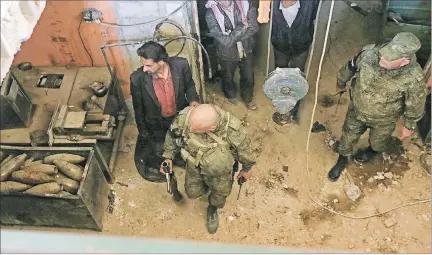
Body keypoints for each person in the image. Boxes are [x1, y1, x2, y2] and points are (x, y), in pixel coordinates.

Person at [328, 32, 428, 182]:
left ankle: (371, 152)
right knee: (347, 138)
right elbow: (351, 66)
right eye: (384, 54)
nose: (382, 58)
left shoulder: (413, 78)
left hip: (384, 120)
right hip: (357, 110)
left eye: (389, 59)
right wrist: (341, 82)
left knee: (378, 142)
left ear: (404, 62)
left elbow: (416, 103)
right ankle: (342, 159)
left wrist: (409, 125)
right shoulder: (369, 53)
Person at [160, 104, 256, 234]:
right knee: (192, 192)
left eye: (195, 128)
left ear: (212, 128)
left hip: (220, 172)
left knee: (220, 194)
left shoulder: (233, 129)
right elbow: (172, 136)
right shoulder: (186, 118)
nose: (190, 128)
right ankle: (205, 189)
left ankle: (212, 209)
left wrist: (246, 169)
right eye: (191, 125)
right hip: (194, 165)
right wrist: (168, 157)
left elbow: (245, 151)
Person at [130, 41, 200, 201]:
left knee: (183, 143)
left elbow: (189, 85)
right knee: (160, 148)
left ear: (161, 62)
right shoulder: (138, 78)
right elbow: (138, 108)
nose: (144, 69)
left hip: (178, 117)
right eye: (143, 65)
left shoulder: (181, 65)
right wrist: (143, 130)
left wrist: (194, 101)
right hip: (156, 122)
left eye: (148, 65)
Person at [271, 0, 320, 122]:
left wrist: (306, 35)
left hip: (301, 46)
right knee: (279, 74)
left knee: (296, 76)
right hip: (280, 45)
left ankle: (293, 109)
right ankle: (281, 105)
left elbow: (312, 16)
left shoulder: (310, 3)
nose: (284, 2)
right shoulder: (272, 3)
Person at [205, 0, 259, 110]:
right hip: (226, 52)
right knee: (228, 75)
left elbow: (254, 27)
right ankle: (231, 95)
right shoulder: (211, 13)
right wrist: (243, 26)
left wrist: (231, 36)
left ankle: (248, 99)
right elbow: (224, 41)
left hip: (246, 47)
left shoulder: (245, 4)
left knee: (248, 75)